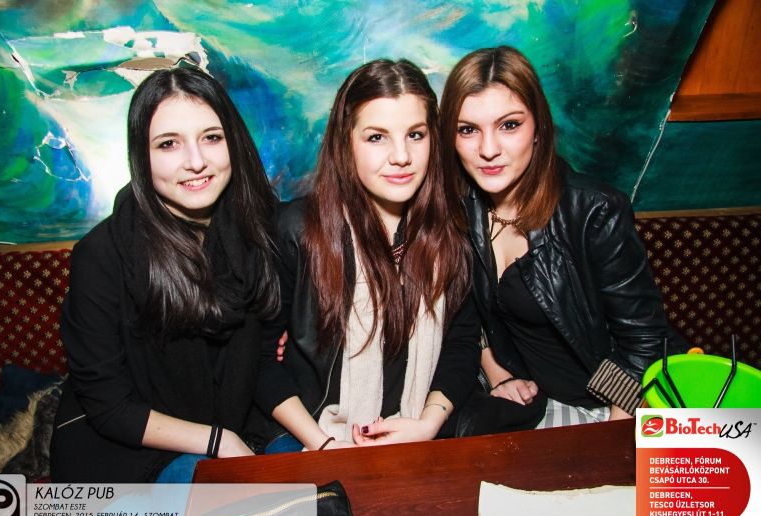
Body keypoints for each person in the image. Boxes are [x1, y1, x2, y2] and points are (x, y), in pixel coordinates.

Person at [50, 66, 280, 486]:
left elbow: (265, 355)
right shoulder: (102, 255)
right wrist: (218, 440)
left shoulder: (257, 232)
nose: (196, 162)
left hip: (238, 425)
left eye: (212, 138)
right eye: (169, 144)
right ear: (142, 155)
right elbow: (108, 406)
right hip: (126, 455)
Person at [439, 46, 685, 427]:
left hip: (620, 403)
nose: (488, 149)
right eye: (468, 130)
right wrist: (498, 374)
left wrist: (610, 436)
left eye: (509, 125)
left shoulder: (593, 211)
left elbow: (644, 342)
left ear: (539, 127)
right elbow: (470, 314)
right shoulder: (461, 208)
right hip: (541, 399)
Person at [255, 59, 481, 453]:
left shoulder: (452, 233)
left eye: (415, 135)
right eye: (377, 137)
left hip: (417, 431)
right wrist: (323, 444)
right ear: (346, 143)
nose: (401, 156)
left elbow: (461, 344)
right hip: (311, 434)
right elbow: (258, 360)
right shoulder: (298, 230)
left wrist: (427, 424)